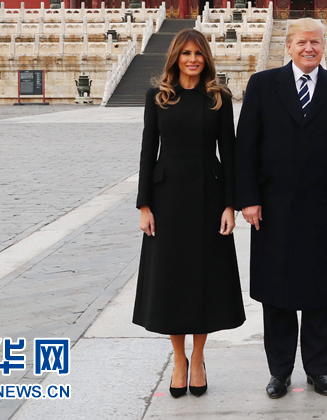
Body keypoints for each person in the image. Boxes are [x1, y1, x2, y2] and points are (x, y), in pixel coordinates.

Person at [235, 18, 327, 399]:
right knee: (276, 293)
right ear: (288, 47)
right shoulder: (263, 85)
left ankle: (318, 370)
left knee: (320, 292)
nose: (309, 48)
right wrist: (248, 198)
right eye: (302, 42)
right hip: (272, 207)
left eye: (316, 42)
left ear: (324, 46)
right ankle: (279, 371)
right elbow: (245, 148)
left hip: (323, 207)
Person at [133, 28, 246, 399]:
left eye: (198, 53)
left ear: (206, 58)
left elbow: (229, 153)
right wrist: (144, 205)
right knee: (172, 280)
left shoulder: (218, 98)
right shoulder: (158, 97)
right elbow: (148, 151)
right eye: (186, 53)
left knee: (204, 280)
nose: (192, 59)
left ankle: (198, 358)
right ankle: (178, 359)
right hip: (166, 200)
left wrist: (230, 204)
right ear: (175, 58)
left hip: (209, 198)